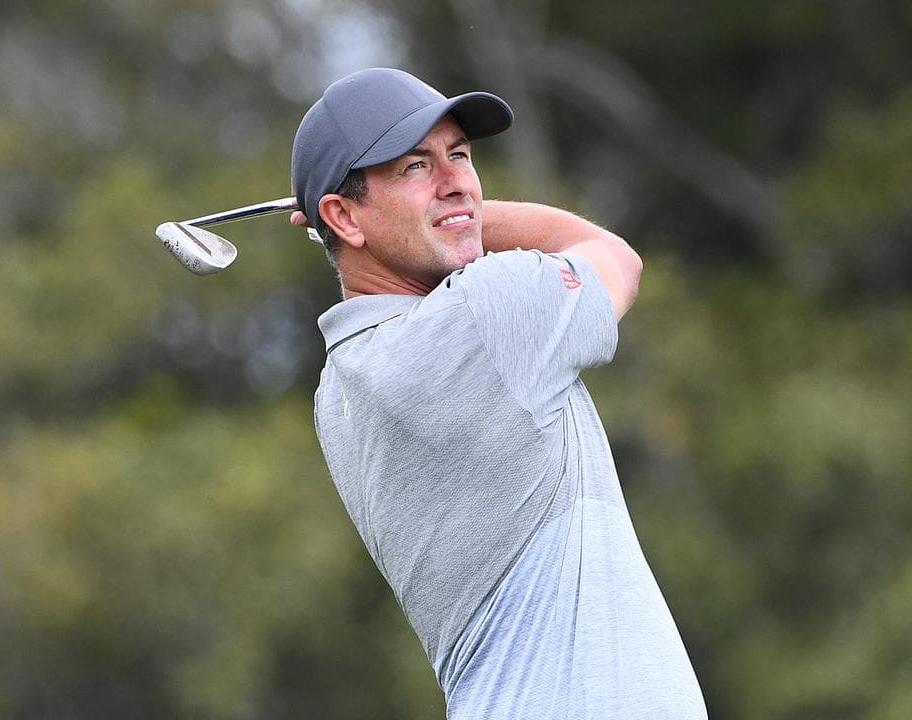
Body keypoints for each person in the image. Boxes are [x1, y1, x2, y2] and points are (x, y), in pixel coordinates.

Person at [291, 67, 706, 719]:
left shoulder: (336, 390)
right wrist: (463, 216)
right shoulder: (484, 313)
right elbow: (611, 255)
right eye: (415, 166)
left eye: (459, 155)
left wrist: (402, 216)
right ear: (342, 215)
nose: (457, 180)